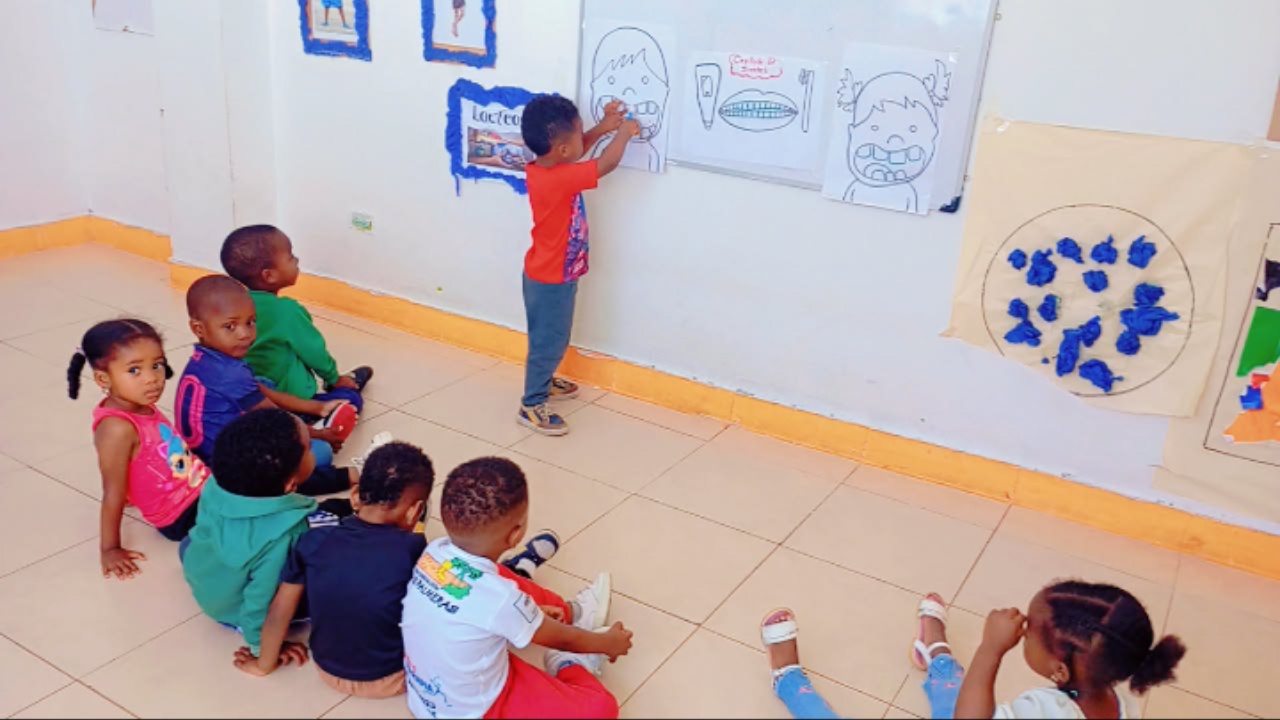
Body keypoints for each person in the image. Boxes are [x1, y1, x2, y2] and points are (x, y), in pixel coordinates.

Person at [402, 457, 632, 719]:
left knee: (495, 578)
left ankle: (565, 613)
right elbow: (564, 639)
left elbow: (472, 606)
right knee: (601, 708)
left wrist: (531, 613)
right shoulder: (502, 600)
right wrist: (607, 644)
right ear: (515, 534)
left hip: (426, 697)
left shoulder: (434, 552)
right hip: (481, 709)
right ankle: (567, 663)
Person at [760, 581, 1187, 719]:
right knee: (957, 696)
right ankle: (936, 654)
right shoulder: (1119, 704)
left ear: (1059, 671)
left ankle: (789, 683)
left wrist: (991, 650)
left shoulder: (1043, 709)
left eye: (1029, 632)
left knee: (962, 701)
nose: (1020, 629)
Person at [515, 95, 639, 436]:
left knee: (549, 337)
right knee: (550, 341)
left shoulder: (545, 167)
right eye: (578, 134)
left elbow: (576, 149)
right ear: (562, 149)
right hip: (551, 277)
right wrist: (623, 133)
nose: (582, 140)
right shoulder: (560, 178)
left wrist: (602, 127)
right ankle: (531, 404)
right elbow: (605, 164)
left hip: (548, 272)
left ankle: (543, 379)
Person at [175, 274, 355, 496]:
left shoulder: (202, 360)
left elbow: (261, 391)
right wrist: (319, 435)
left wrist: (318, 408)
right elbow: (280, 421)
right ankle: (339, 477)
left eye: (250, 322)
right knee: (320, 452)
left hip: (199, 457)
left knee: (263, 382)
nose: (245, 334)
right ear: (199, 329)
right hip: (227, 471)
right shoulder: (231, 375)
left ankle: (318, 414)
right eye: (230, 326)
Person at [181, 409, 336, 662]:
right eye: (309, 448)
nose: (313, 452)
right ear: (290, 485)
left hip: (206, 583)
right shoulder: (285, 535)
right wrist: (261, 649)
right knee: (323, 573)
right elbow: (260, 602)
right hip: (236, 612)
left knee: (191, 543)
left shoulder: (216, 483)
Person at [69, 319, 211, 579]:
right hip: (179, 513)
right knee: (252, 504)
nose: (152, 379)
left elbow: (147, 456)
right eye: (134, 370)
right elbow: (112, 491)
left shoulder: (138, 403)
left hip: (198, 486)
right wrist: (110, 548)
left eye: (156, 365)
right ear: (103, 378)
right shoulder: (116, 428)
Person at [219, 224, 373, 418]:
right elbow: (313, 351)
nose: (297, 260)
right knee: (350, 399)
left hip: (250, 399)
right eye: (290, 257)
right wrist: (333, 378)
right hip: (291, 400)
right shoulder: (286, 310)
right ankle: (332, 400)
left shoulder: (233, 308)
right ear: (269, 275)